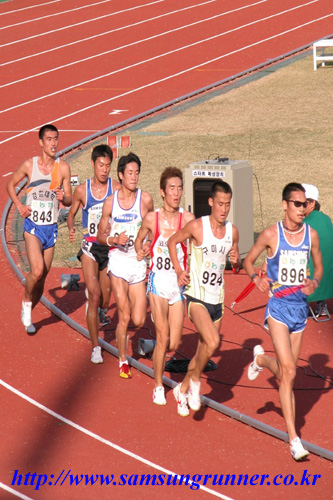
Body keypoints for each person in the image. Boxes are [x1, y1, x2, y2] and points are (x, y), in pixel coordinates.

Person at [243, 182, 323, 461]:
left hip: (300, 311)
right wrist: (256, 279)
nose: (302, 209)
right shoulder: (270, 234)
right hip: (277, 309)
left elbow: (319, 264)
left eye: (305, 204)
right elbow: (249, 261)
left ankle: (262, 361)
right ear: (285, 204)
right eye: (297, 204)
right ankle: (294, 438)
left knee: (288, 373)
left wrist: (314, 281)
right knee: (289, 371)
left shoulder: (310, 235)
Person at [168, 180, 241, 417]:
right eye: (220, 204)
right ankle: (196, 383)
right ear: (211, 202)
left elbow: (235, 262)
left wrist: (236, 260)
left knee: (203, 353)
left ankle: (182, 390)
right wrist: (179, 270)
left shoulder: (233, 232)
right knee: (212, 342)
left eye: (227, 205)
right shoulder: (197, 227)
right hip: (197, 297)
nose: (223, 209)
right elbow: (172, 242)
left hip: (217, 301)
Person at [135, 167, 195, 405]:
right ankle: (158, 386)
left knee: (173, 342)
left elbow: (200, 241)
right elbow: (140, 239)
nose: (176, 193)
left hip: (177, 284)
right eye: (172, 188)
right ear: (162, 192)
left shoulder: (187, 219)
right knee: (163, 336)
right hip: (158, 280)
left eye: (180, 188)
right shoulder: (152, 218)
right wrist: (140, 250)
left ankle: (154, 349)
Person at [6, 124, 72, 334]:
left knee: (43, 277)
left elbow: (69, 199)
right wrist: (18, 205)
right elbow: (10, 184)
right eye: (49, 139)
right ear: (41, 142)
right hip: (33, 226)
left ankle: (29, 309)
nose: (53, 143)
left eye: (56, 139)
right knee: (36, 270)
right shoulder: (29, 165)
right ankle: (26, 302)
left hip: (50, 228)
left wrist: (65, 198)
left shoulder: (63, 168)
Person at [97, 152, 153, 378]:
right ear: (120, 175)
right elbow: (100, 236)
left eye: (137, 172)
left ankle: (128, 339)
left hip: (137, 262)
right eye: (130, 172)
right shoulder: (111, 202)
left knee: (139, 319)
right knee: (125, 315)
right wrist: (114, 240)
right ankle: (122, 360)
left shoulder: (145, 199)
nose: (134, 177)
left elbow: (152, 228)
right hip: (118, 261)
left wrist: (147, 244)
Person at [67, 145, 121, 364]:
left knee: (106, 299)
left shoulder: (116, 188)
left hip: (108, 248)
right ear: (93, 164)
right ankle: (95, 346)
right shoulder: (82, 190)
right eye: (101, 165)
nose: (104, 170)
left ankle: (100, 311)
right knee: (95, 293)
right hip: (89, 247)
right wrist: (71, 227)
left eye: (108, 166)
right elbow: (71, 214)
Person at [302, 183, 333, 316]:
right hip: (329, 281)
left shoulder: (303, 225)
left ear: (312, 203)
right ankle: (322, 304)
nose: (297, 207)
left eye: (302, 203)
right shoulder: (326, 219)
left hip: (312, 280)